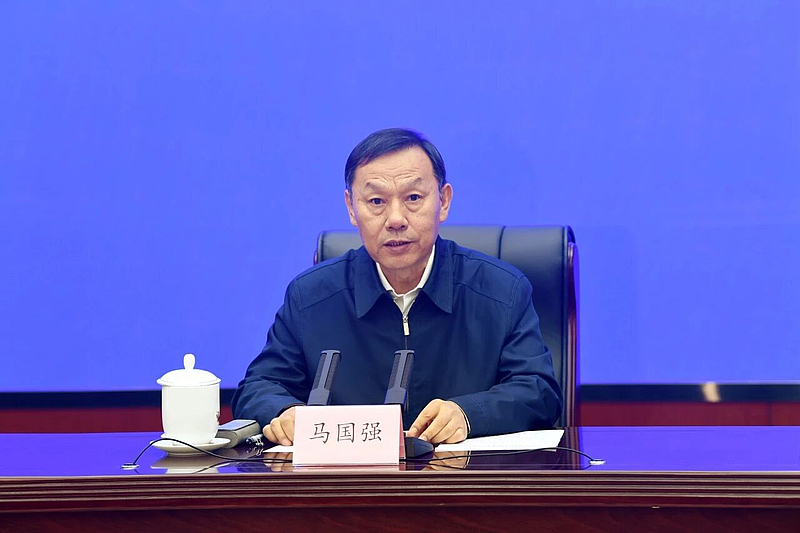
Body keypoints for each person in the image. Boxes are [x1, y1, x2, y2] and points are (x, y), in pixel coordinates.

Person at [231, 128, 562, 446]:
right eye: (376, 201)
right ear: (351, 208)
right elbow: (258, 388)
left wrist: (468, 414)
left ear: (444, 201)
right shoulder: (311, 297)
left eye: (413, 198)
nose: (395, 219)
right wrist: (286, 412)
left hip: (462, 479)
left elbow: (539, 391)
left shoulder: (501, 291)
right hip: (349, 481)